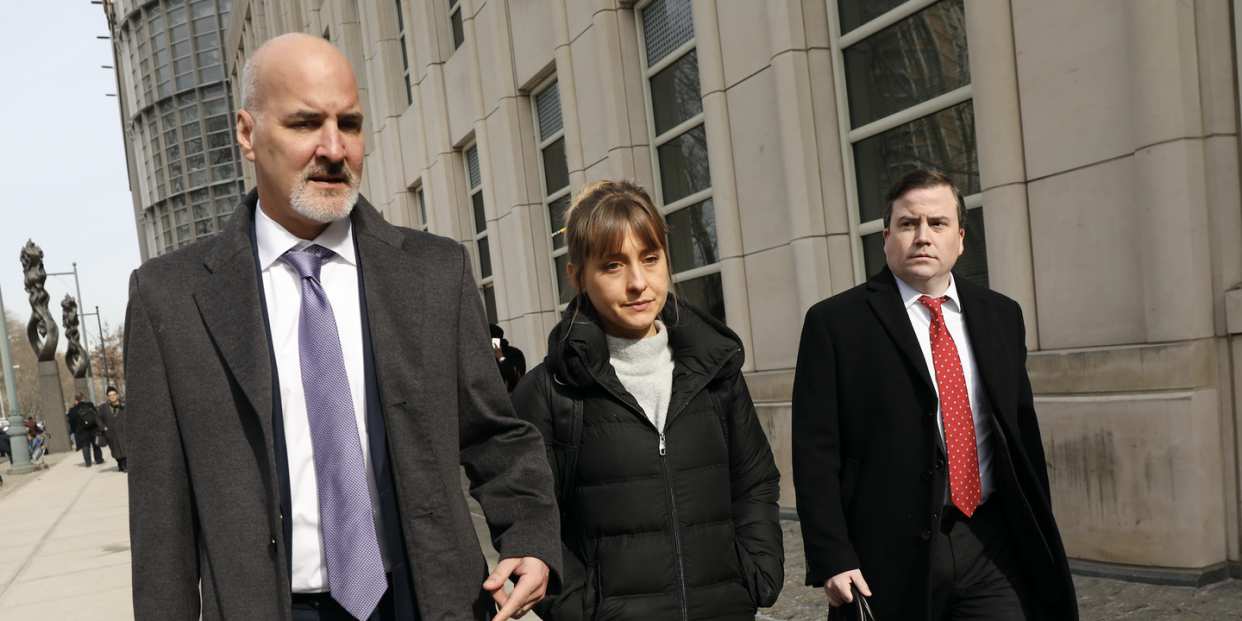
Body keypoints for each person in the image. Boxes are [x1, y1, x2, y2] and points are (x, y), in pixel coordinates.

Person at [124, 33, 560, 621]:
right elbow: (161, 523)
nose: (334, 148)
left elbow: (494, 434)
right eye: (306, 124)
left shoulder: (435, 272)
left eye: (349, 124)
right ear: (248, 134)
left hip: (426, 602)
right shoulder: (169, 299)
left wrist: (529, 539)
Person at [791, 169, 1077, 620]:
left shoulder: (1002, 315)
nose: (923, 236)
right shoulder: (835, 324)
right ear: (886, 237)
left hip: (992, 542)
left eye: (938, 224)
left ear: (960, 239)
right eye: (908, 224)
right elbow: (815, 452)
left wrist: (1037, 527)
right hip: (888, 553)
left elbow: (1021, 432)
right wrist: (832, 555)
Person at [511, 180, 784, 620]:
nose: (639, 283)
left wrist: (756, 571)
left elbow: (754, 482)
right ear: (578, 276)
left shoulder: (716, 371)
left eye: (650, 258)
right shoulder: (549, 391)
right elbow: (531, 521)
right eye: (613, 266)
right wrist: (581, 610)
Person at [67, 394, 104, 467]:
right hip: (93, 428)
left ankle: (88, 461)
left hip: (81, 431)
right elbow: (96, 415)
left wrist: (74, 431)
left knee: (85, 446)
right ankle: (98, 459)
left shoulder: (73, 410)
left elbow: (71, 422)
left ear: (76, 400)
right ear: (83, 398)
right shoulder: (90, 405)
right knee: (95, 444)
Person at [99, 387, 127, 472]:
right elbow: (98, 418)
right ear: (108, 397)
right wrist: (103, 427)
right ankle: (120, 463)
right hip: (111, 433)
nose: (112, 397)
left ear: (117, 395)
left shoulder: (123, 405)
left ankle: (125, 465)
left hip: (123, 431)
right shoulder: (103, 407)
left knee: (124, 448)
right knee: (115, 450)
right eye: (110, 395)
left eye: (114, 394)